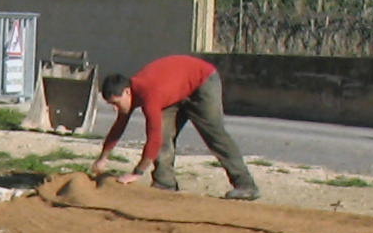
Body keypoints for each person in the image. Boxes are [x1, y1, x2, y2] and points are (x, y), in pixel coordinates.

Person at [87, 53, 260, 199]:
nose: (115, 108)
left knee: (214, 135)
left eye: (116, 103)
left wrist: (137, 173)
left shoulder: (149, 95)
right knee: (164, 134)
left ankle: (246, 185)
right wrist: (103, 158)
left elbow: (152, 138)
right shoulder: (133, 94)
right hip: (174, 90)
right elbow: (119, 127)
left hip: (202, 81)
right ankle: (165, 183)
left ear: (126, 91)